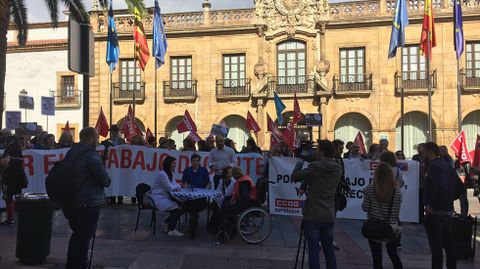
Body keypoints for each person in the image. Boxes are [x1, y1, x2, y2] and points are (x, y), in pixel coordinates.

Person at [62, 127, 111, 269]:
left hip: (71, 201)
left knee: (77, 235)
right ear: (90, 138)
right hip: (87, 202)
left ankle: (71, 264)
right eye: (96, 137)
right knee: (84, 237)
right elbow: (104, 179)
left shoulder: (72, 151)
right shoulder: (91, 155)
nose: (98, 140)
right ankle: (79, 265)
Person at [291, 140, 341, 269]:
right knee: (329, 250)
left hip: (313, 214)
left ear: (322, 151)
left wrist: (300, 162)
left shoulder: (315, 166)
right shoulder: (338, 168)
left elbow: (295, 176)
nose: (315, 152)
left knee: (313, 250)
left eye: (317, 149)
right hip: (328, 213)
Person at [362, 162, 403, 269]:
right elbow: (396, 212)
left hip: (374, 226)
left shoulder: (369, 189)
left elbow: (365, 208)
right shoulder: (396, 191)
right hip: (391, 227)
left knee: (377, 258)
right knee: (393, 255)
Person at [423, 142, 457, 269]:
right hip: (446, 209)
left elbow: (440, 186)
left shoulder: (435, 166)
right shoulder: (446, 165)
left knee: (436, 246)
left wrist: (431, 204)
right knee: (448, 244)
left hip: (437, 212)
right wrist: (450, 200)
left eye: (424, 152)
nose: (422, 154)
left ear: (430, 152)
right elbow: (457, 186)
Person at [149, 156, 184, 237]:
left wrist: (178, 186)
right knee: (178, 208)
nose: (175, 165)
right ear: (169, 164)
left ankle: (167, 223)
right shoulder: (162, 174)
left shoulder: (169, 173)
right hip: (157, 199)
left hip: (164, 197)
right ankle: (172, 230)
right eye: (174, 163)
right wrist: (180, 186)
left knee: (182, 206)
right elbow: (170, 187)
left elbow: (174, 184)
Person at [1, 135, 28, 225]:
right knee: (14, 195)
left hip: (9, 176)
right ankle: (16, 217)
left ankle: (10, 219)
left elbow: (5, 162)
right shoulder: (18, 148)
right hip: (18, 175)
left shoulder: (10, 147)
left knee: (8, 196)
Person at [182, 154, 210, 239]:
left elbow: (208, 183)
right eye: (193, 161)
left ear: (199, 161)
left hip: (201, 198)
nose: (195, 162)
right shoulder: (187, 170)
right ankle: (192, 227)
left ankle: (192, 225)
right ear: (191, 161)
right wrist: (186, 188)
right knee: (192, 207)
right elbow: (183, 183)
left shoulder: (204, 170)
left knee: (193, 208)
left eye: (197, 161)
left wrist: (205, 190)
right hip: (190, 197)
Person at [412, 143, 426, 224]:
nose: (419, 149)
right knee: (418, 202)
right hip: (417, 182)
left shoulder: (427, 157)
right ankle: (418, 218)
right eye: (418, 148)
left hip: (425, 182)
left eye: (421, 148)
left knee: (426, 201)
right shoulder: (415, 157)